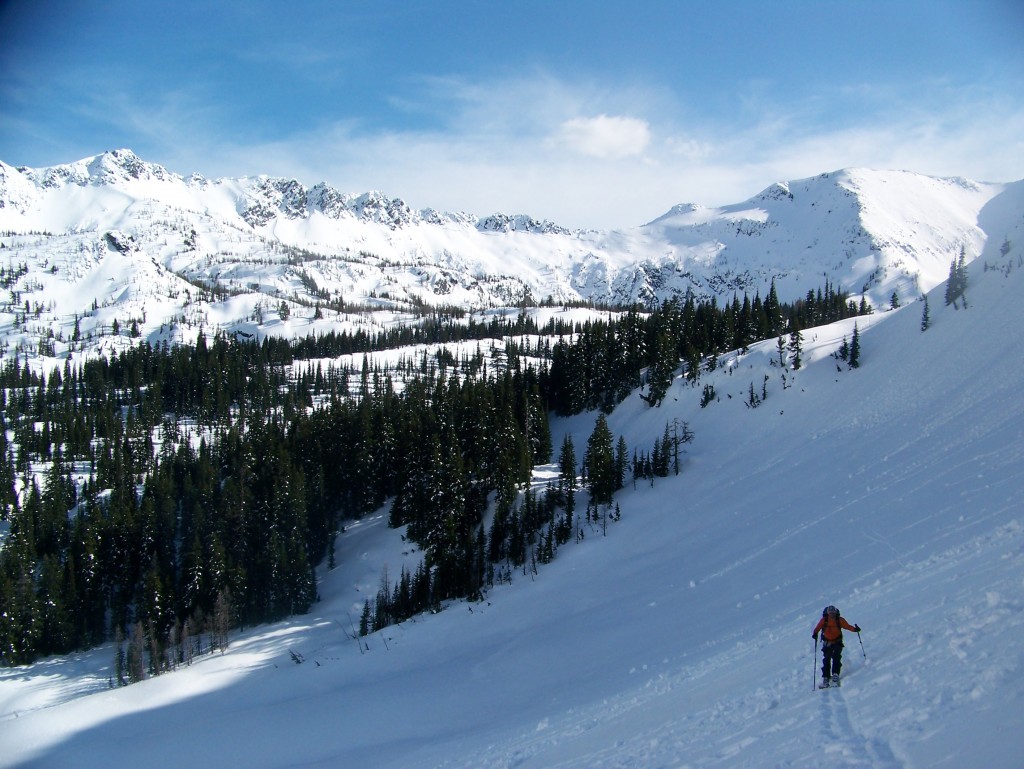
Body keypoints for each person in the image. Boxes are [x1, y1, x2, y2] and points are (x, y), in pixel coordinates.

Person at [812, 605, 860, 687]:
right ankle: (826, 677)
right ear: (828, 613)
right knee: (827, 659)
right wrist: (815, 633)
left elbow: (847, 626)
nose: (832, 615)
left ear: (835, 613)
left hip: (837, 642)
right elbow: (818, 628)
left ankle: (835, 675)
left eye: (833, 613)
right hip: (827, 643)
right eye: (830, 613)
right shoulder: (824, 620)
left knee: (836, 658)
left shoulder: (839, 620)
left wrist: (855, 630)